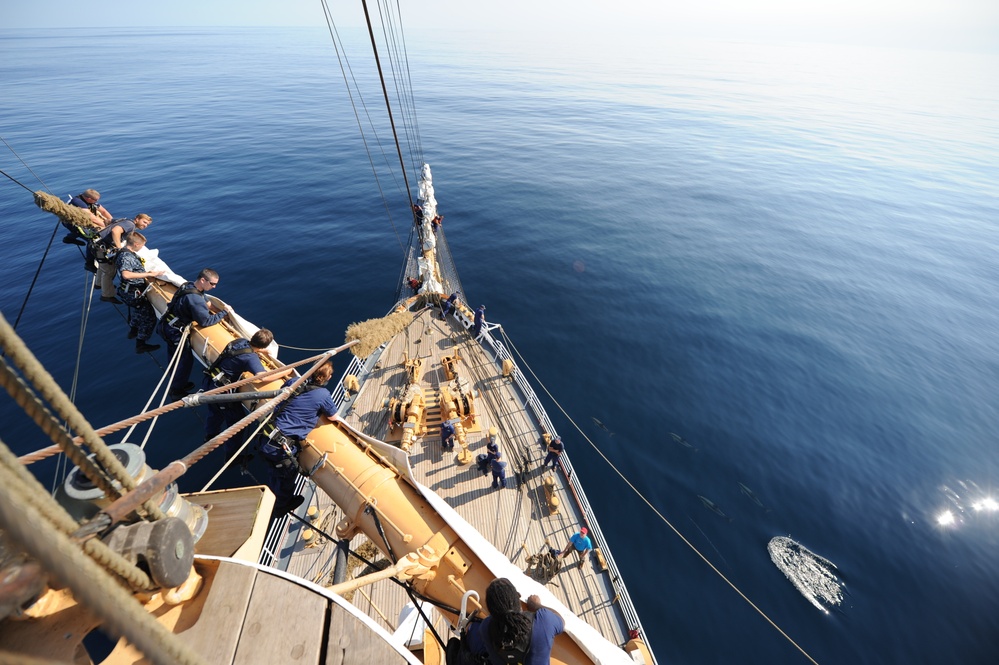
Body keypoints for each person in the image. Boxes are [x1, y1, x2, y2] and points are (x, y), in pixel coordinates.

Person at [259, 360, 337, 517]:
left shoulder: (296, 381)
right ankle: (281, 506)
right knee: (287, 475)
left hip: (266, 436)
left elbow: (283, 392)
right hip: (281, 447)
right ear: (327, 377)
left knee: (274, 472)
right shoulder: (323, 395)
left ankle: (270, 497)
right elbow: (333, 416)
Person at [157, 268, 231, 397]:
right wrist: (225, 313)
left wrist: (217, 309)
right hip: (175, 332)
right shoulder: (195, 299)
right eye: (212, 284)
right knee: (184, 361)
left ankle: (176, 381)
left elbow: (206, 302)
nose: (214, 287)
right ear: (203, 280)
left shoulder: (188, 285)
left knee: (173, 356)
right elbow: (205, 321)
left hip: (166, 325)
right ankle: (177, 390)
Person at [202, 329, 274, 456]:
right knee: (237, 423)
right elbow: (262, 377)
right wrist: (287, 371)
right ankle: (232, 456)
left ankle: (210, 435)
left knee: (214, 411)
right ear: (265, 345)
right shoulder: (251, 358)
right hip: (223, 394)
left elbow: (241, 351)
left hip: (210, 382)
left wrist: (260, 351)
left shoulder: (239, 341)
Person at [466, 578, 564, 665]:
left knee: (472, 628)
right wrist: (536, 605)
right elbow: (561, 622)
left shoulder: (485, 627)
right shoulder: (543, 621)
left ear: (491, 611)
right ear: (518, 597)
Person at [115, 231, 164, 354]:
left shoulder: (123, 252)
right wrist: (149, 274)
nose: (142, 247)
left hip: (128, 291)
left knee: (138, 309)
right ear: (136, 244)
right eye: (141, 245)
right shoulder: (127, 257)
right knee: (149, 317)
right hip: (132, 292)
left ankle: (133, 330)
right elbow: (126, 274)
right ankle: (141, 344)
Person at [94, 214, 153, 302]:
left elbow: (108, 221)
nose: (145, 225)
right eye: (144, 222)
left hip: (98, 244)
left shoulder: (125, 220)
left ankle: (99, 284)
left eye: (147, 224)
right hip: (101, 247)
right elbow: (115, 231)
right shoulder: (130, 225)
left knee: (103, 266)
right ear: (137, 219)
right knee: (109, 271)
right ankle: (107, 295)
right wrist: (119, 248)